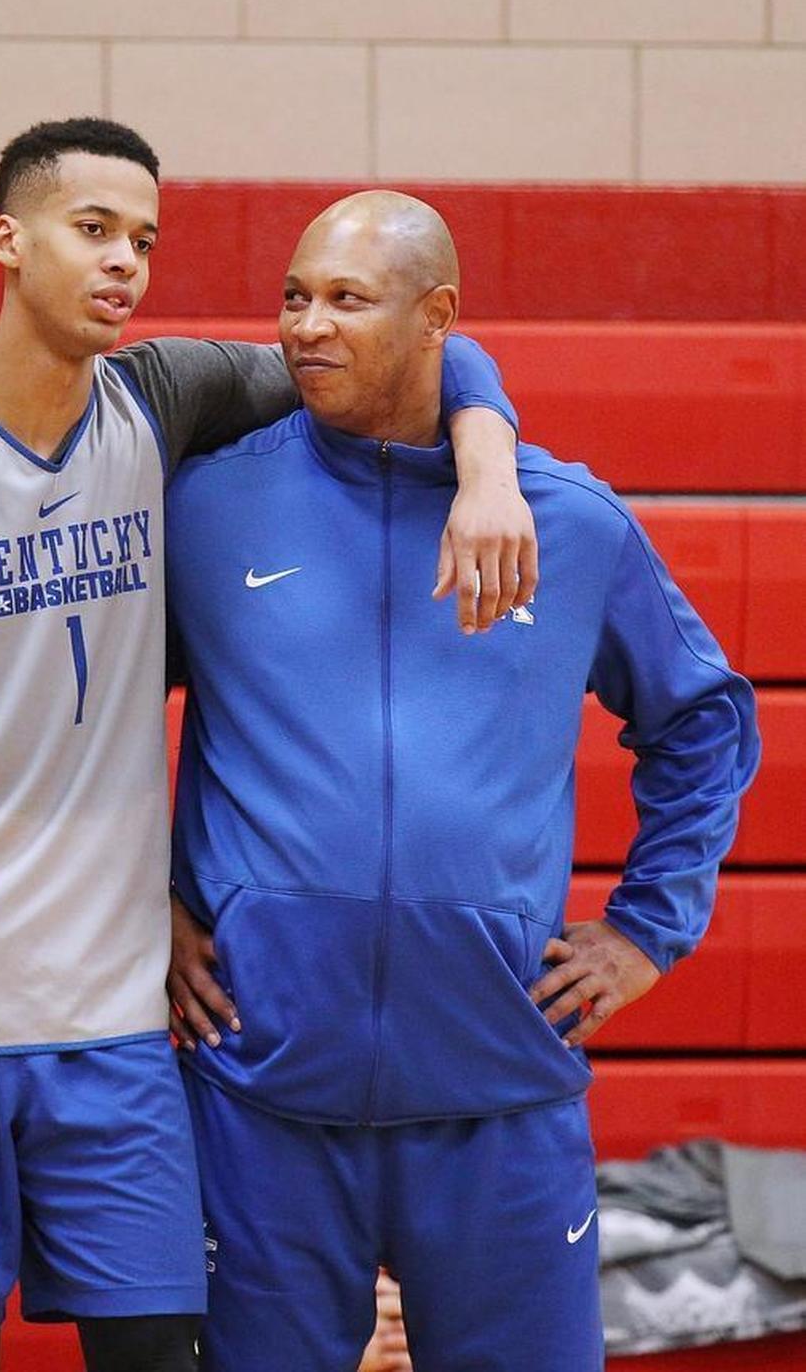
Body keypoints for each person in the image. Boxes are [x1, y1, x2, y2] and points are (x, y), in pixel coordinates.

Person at [0, 120, 535, 1372]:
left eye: (145, 238)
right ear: (9, 239)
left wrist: (489, 455)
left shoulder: (162, 397)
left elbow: (406, 342)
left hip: (117, 1023)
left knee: (163, 1351)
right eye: (93, 229)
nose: (125, 261)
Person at [165, 191, 761, 1372]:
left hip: (502, 1091)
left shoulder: (570, 523)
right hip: (259, 1087)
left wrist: (648, 928)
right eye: (294, 296)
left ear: (438, 316)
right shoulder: (207, 501)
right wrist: (141, 898)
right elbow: (83, 722)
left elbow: (704, 719)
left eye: (346, 299)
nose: (304, 327)